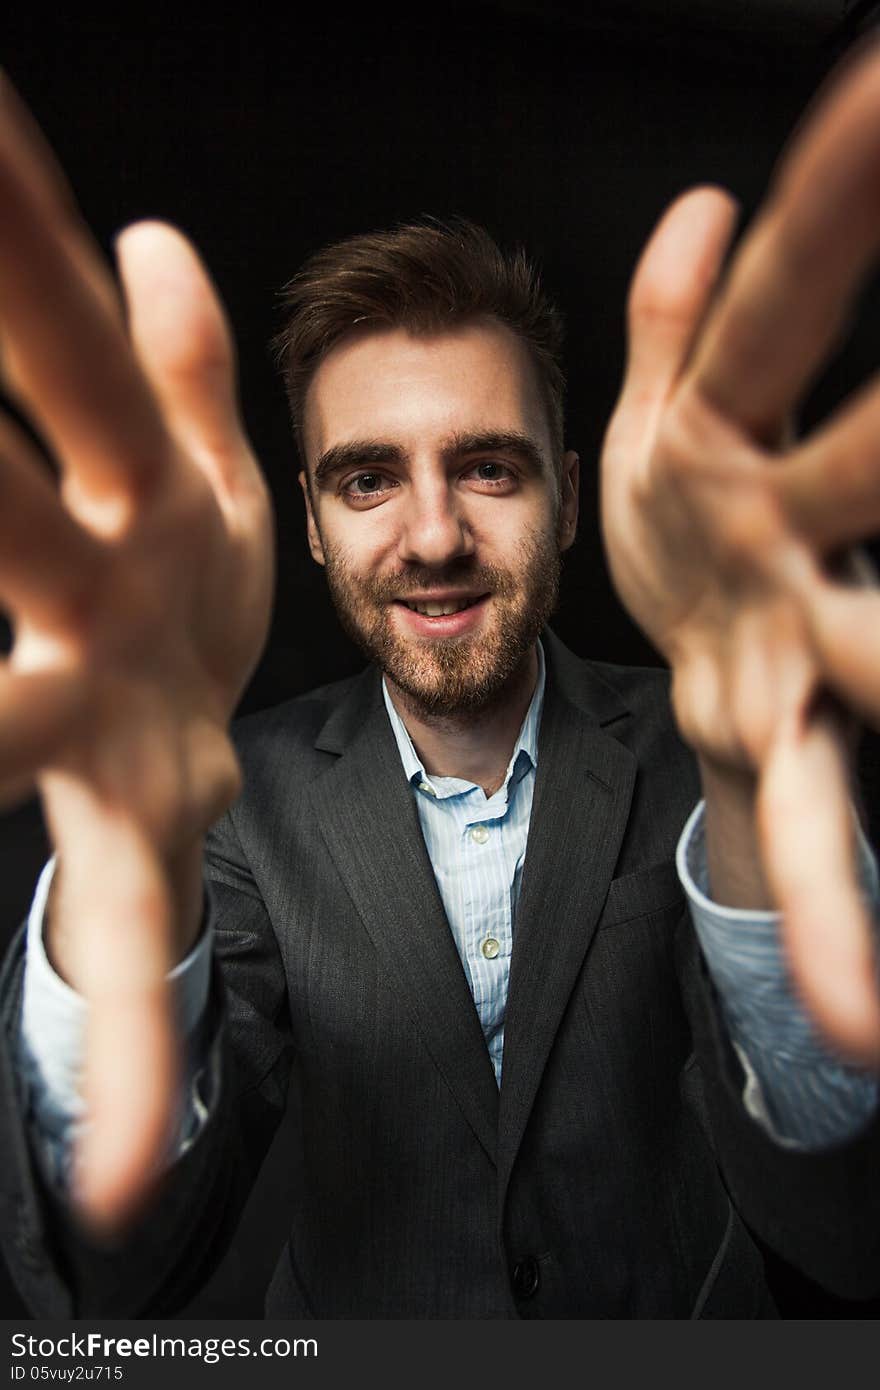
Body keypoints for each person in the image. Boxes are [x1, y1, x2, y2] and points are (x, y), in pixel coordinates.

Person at [2, 46, 880, 1317]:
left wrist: (743, 785)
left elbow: (847, 1227)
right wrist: (120, 873)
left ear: (567, 497)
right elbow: (110, 1269)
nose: (430, 537)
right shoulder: (233, 803)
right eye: (367, 479)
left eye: (487, 468)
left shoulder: (712, 751)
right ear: (308, 520)